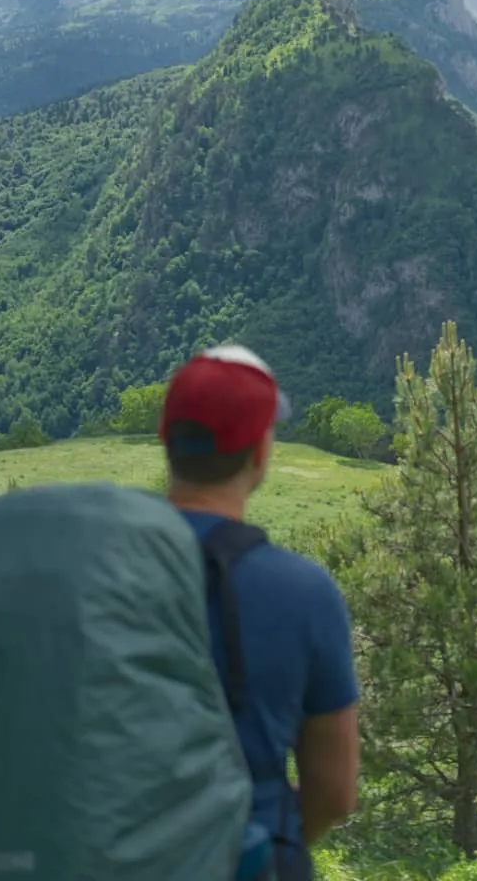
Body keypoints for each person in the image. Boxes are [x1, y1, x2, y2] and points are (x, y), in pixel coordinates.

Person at [162, 344, 361, 881]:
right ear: (259, 452)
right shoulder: (302, 591)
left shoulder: (99, 571)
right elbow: (335, 794)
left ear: (167, 440)